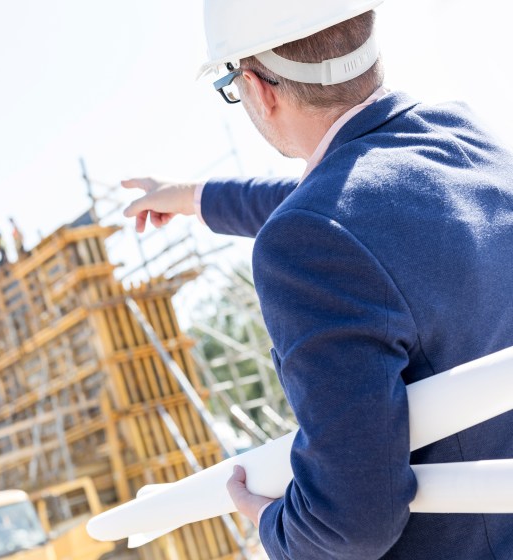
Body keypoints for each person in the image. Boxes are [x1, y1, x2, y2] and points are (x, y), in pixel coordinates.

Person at [122, 1, 513, 558]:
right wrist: (194, 198)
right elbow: (349, 203)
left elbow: (349, 526)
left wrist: (273, 526)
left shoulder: (313, 237)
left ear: (258, 89)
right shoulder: (466, 136)